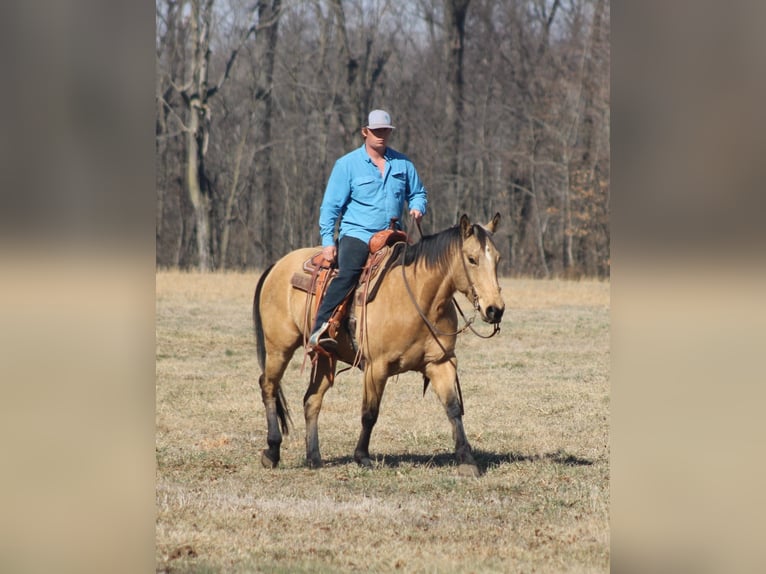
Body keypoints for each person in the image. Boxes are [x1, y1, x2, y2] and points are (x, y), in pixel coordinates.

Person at [308, 109, 428, 349]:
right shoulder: (347, 165)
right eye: (376, 131)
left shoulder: (403, 164)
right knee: (349, 274)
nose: (381, 135)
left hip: (394, 237)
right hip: (358, 234)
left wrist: (417, 207)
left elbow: (418, 192)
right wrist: (328, 241)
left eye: (385, 130)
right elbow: (330, 206)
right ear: (365, 132)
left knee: (417, 276)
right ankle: (321, 329)